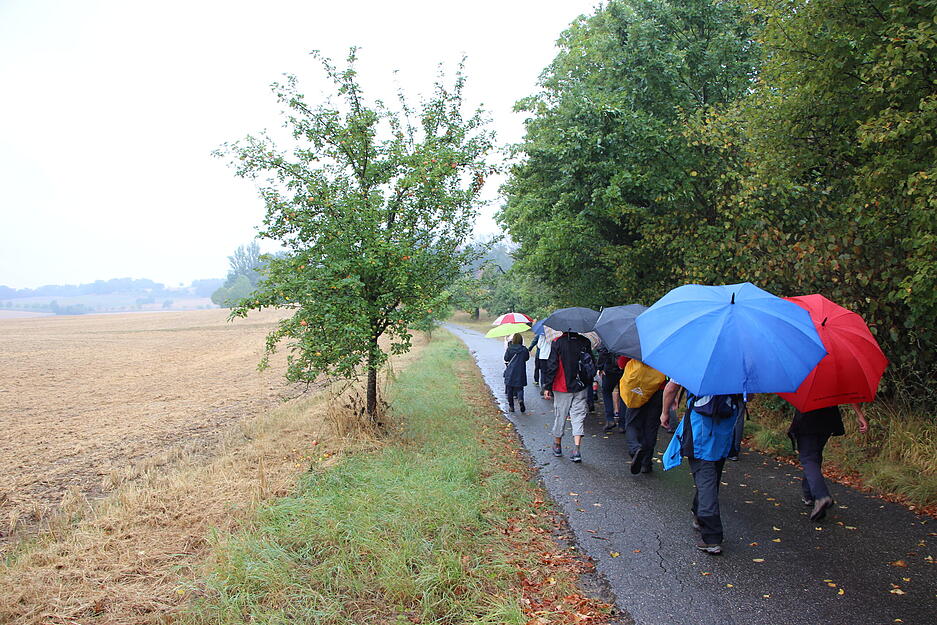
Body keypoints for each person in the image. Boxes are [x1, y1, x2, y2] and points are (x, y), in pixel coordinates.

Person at [661, 380, 746, 555]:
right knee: (713, 473)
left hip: (701, 426)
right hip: (725, 426)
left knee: (705, 476)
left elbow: (671, 388)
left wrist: (664, 413)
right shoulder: (738, 363)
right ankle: (698, 513)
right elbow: (748, 397)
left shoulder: (697, 358)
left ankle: (712, 536)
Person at [788, 403, 868, 521]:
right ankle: (809, 495)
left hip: (807, 418)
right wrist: (860, 415)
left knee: (808, 458)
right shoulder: (834, 383)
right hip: (829, 418)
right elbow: (849, 391)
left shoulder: (802, 383)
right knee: (814, 455)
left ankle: (821, 496)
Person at [542, 331, 593, 463]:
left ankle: (557, 446)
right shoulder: (585, 342)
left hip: (562, 386)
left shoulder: (558, 342)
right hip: (581, 386)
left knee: (561, 415)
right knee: (578, 417)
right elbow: (591, 364)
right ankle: (576, 450)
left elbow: (552, 365)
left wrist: (547, 387)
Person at [620, 360, 666, 474]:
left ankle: (635, 449)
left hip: (638, 387)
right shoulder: (664, 347)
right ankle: (646, 462)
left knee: (632, 423)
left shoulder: (635, 345)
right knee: (651, 426)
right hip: (658, 389)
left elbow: (621, 363)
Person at [596, 345, 624, 433]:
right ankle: (623, 423)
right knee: (623, 395)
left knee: (606, 392)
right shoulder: (628, 337)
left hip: (609, 369)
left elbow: (602, 352)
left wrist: (600, 367)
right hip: (623, 369)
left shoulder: (609, 336)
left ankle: (610, 419)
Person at [503, 333, 530, 412]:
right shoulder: (524, 349)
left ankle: (511, 406)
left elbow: (506, 358)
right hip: (520, 371)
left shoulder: (509, 348)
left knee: (509, 389)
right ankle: (520, 400)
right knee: (520, 388)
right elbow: (526, 358)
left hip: (510, 371)